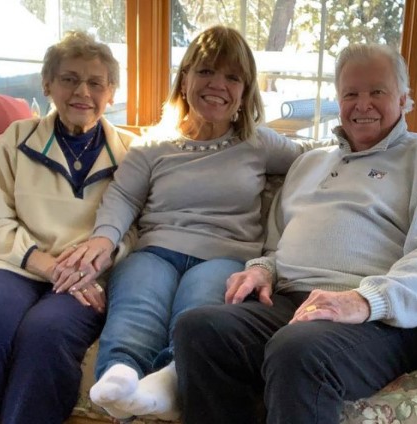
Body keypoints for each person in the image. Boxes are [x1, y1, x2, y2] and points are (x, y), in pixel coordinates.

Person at [172, 43, 417, 424]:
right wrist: (262, 271)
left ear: (404, 99)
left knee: (298, 349)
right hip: (290, 305)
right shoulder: (309, 163)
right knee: (198, 329)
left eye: (377, 92)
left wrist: (365, 300)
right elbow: (275, 243)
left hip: (378, 320)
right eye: (351, 93)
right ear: (338, 100)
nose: (363, 104)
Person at [53, 25, 318, 422]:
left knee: (196, 312)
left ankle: (168, 381)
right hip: (156, 252)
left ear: (245, 93)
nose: (218, 85)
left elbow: (314, 161)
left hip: (225, 257)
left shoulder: (260, 144)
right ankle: (119, 376)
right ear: (185, 78)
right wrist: (105, 239)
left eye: (233, 77)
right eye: (206, 71)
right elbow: (123, 197)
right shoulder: (153, 145)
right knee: (138, 306)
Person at [0, 31, 136, 424]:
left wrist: (94, 263)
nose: (82, 91)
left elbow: (138, 229)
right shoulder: (11, 142)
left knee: (46, 334)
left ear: (111, 93)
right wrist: (47, 264)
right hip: (16, 264)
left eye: (96, 82)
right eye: (69, 79)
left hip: (88, 277)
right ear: (48, 85)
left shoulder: (135, 155)